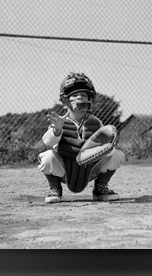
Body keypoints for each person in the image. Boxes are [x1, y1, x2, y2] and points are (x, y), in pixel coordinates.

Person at [38, 72, 125, 204]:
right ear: (65, 101)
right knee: (47, 156)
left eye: (84, 95)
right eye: (75, 95)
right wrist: (57, 130)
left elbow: (104, 145)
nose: (80, 98)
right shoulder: (60, 122)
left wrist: (108, 147)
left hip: (89, 171)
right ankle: (55, 188)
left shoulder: (95, 122)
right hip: (64, 170)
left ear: (90, 100)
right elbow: (48, 141)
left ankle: (100, 188)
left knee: (117, 155)